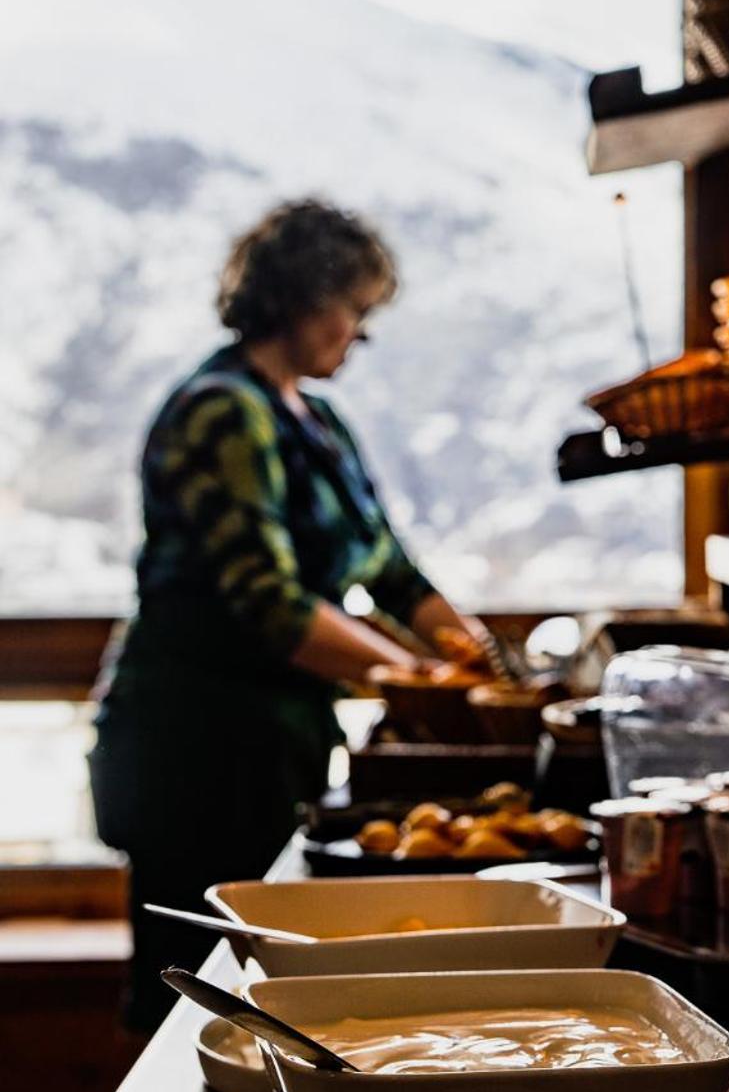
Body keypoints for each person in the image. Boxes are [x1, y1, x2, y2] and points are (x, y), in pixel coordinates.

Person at [89, 197, 482, 1029]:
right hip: (194, 745)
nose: (361, 334)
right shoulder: (221, 409)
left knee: (265, 992)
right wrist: (418, 678)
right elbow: (269, 604)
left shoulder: (318, 419)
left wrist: (484, 662)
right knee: (200, 997)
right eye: (355, 310)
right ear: (305, 300)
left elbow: (391, 569)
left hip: (274, 741)